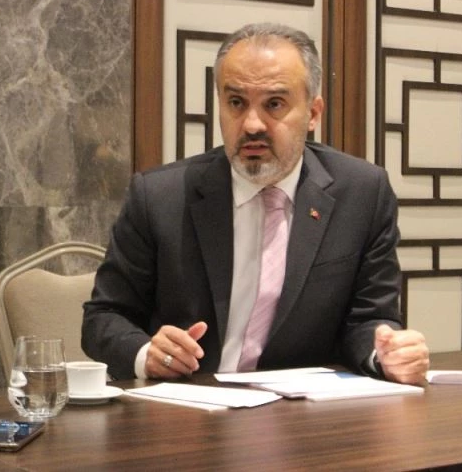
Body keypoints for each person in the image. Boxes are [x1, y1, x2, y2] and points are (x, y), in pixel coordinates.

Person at [82, 23, 429, 384]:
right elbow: (103, 317)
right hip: (189, 405)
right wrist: (146, 354)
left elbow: (369, 319)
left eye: (274, 104)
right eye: (236, 103)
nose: (251, 125)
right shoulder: (159, 197)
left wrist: (385, 354)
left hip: (306, 410)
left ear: (313, 113)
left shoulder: (362, 194)